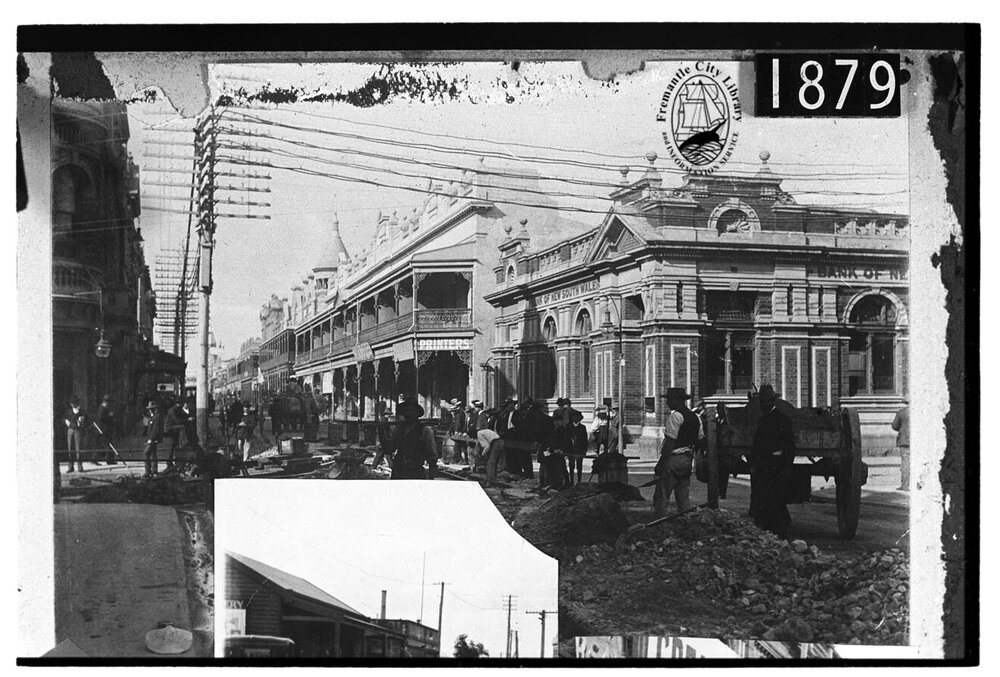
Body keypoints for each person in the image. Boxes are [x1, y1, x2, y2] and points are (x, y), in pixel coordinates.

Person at [748, 384, 796, 537]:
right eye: (761, 401)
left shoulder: (783, 420)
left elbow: (789, 445)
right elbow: (757, 445)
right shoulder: (763, 420)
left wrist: (787, 466)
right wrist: (754, 464)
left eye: (766, 401)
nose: (763, 404)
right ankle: (768, 526)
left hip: (776, 465)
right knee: (765, 495)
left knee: (775, 497)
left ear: (773, 402)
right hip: (764, 465)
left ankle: (780, 528)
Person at [653, 388, 703, 517]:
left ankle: (660, 521)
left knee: (662, 494)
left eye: (669, 400)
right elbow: (700, 439)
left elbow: (670, 442)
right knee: (682, 494)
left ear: (678, 400)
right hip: (687, 459)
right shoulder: (695, 417)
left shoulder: (675, 416)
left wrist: (661, 463)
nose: (667, 403)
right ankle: (684, 520)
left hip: (674, 458)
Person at [389, 398, 438, 479]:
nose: (408, 413)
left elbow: (432, 456)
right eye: (406, 411)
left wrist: (431, 477)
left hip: (415, 471)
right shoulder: (400, 429)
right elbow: (390, 448)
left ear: (416, 413)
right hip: (399, 471)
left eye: (411, 410)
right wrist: (381, 432)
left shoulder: (425, 430)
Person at [163, 398, 190, 471]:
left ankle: (171, 461)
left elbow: (182, 417)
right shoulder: (173, 411)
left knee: (173, 445)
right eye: (179, 404)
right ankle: (183, 442)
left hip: (174, 429)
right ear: (176, 404)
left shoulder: (177, 410)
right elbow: (177, 421)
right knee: (182, 427)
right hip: (169, 428)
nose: (180, 405)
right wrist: (187, 420)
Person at [63, 396, 88, 473]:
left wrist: (82, 421)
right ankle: (70, 467)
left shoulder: (82, 411)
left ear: (77, 403)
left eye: (74, 403)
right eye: (72, 403)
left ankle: (80, 467)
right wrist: (66, 422)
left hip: (78, 431)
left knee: (78, 449)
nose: (73, 405)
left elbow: (86, 421)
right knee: (70, 449)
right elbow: (64, 418)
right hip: (70, 430)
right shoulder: (69, 411)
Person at [564, 408, 588, 485]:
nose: (576, 418)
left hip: (579, 449)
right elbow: (566, 439)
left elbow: (585, 440)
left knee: (579, 465)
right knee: (571, 465)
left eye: (577, 417)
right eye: (574, 417)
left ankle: (579, 480)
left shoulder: (582, 427)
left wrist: (584, 450)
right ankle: (571, 480)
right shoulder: (568, 427)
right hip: (571, 448)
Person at [142, 400, 165, 478]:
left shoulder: (157, 417)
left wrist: (151, 439)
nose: (150, 410)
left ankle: (148, 471)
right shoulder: (152, 416)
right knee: (153, 454)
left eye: (151, 408)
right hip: (152, 438)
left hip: (153, 439)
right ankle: (154, 471)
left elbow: (155, 429)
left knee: (146, 453)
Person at [95, 394, 118, 464]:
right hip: (103, 429)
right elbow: (101, 418)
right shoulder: (102, 408)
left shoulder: (107, 408)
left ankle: (110, 459)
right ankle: (95, 458)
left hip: (108, 428)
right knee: (104, 444)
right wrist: (109, 416)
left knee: (110, 444)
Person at [892, 401, 910, 491]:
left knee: (905, 464)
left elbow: (895, 426)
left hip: (905, 442)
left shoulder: (901, 412)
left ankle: (905, 485)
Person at [371, 400, 393, 469]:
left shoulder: (383, 419)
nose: (390, 416)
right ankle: (375, 466)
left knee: (384, 454)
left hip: (382, 440)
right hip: (381, 440)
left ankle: (374, 466)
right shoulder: (382, 419)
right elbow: (383, 431)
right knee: (383, 454)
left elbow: (386, 431)